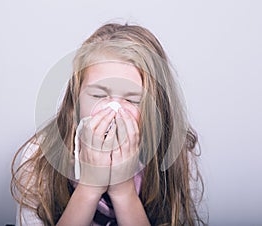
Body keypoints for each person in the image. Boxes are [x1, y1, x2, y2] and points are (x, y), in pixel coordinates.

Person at [11, 23, 205, 226]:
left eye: (132, 100)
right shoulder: (39, 155)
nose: (114, 111)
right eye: (98, 95)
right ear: (74, 101)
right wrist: (90, 186)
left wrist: (123, 191)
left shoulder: (176, 158)